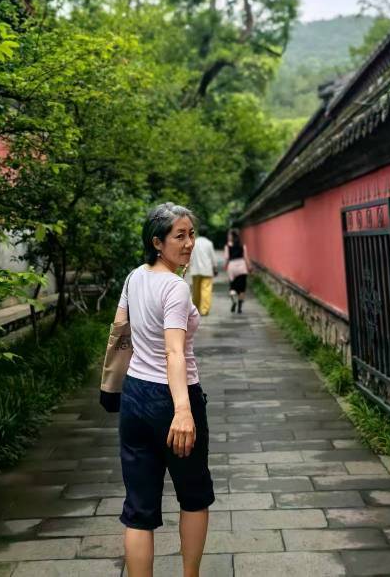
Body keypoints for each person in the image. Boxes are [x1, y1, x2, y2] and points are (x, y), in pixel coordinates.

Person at [114, 202, 214, 577]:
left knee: (138, 510)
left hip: (135, 396)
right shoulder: (174, 288)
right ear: (157, 242)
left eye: (191, 234)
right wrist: (183, 411)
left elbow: (120, 331)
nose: (188, 243)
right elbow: (174, 350)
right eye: (179, 236)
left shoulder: (133, 278)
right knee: (193, 496)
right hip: (172, 399)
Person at [186, 226, 217, 316]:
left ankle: (196, 308)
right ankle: (204, 310)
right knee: (206, 290)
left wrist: (188, 266)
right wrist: (214, 267)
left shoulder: (194, 243)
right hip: (207, 270)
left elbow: (190, 256)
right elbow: (212, 257)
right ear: (207, 233)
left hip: (195, 270)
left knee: (196, 291)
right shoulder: (209, 243)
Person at [224, 228, 251, 314]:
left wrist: (226, 266)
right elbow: (246, 257)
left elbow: (227, 258)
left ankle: (233, 301)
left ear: (231, 236)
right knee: (242, 289)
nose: (228, 236)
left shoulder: (227, 246)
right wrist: (249, 266)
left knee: (232, 286)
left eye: (229, 235)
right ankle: (239, 308)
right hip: (242, 266)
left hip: (232, 267)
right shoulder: (242, 245)